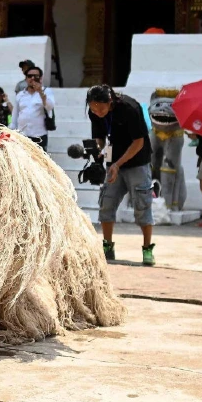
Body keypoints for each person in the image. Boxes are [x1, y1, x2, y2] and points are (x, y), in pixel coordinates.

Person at [87, 84, 156, 266]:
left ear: (110, 102)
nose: (97, 111)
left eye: (100, 108)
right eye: (93, 108)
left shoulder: (129, 108)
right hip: (113, 163)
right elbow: (100, 137)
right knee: (106, 204)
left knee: (142, 206)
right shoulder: (94, 112)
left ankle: (147, 248)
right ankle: (107, 246)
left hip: (137, 162)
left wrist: (118, 164)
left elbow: (139, 142)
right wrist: (98, 150)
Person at [11, 65, 55, 151]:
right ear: (26, 78)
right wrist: (12, 130)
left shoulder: (46, 91)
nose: (32, 78)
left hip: (39, 135)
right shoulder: (20, 94)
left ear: (40, 78)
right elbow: (15, 114)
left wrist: (40, 92)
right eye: (30, 76)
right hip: (22, 134)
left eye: (36, 76)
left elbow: (50, 106)